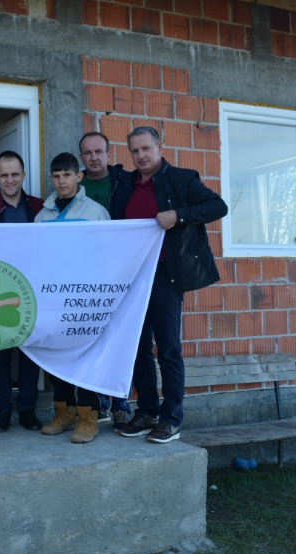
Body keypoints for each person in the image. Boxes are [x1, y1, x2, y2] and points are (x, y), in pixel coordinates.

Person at [112, 126, 227, 443]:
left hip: (166, 275)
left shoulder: (181, 179)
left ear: (160, 146)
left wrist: (177, 215)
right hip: (134, 277)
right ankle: (147, 412)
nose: (141, 156)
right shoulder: (127, 184)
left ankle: (172, 418)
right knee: (137, 348)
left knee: (168, 349)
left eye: (146, 148)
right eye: (134, 151)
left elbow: (218, 206)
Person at [35, 152, 109, 443]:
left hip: (86, 300)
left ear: (79, 176)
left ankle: (88, 417)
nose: (61, 181)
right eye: (56, 176)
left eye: (67, 175)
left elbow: (107, 255)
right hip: (54, 298)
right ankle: (63, 412)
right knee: (57, 356)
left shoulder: (95, 212)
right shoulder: (42, 216)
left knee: (86, 357)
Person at [0, 150, 44, 433]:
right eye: (4, 175)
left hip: (33, 288)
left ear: (24, 175)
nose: (10, 180)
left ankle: (28, 408)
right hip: (0, 287)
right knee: (0, 352)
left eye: (15, 174)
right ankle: (2, 410)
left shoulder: (40, 207)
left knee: (30, 350)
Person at [78, 131, 135, 430]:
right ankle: (98, 404)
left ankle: (120, 404)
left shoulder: (126, 182)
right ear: (81, 158)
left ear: (109, 154)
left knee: (118, 338)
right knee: (90, 338)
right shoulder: (75, 187)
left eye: (99, 151)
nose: (94, 158)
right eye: (87, 153)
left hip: (120, 273)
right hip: (87, 277)